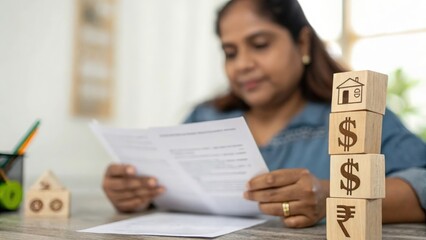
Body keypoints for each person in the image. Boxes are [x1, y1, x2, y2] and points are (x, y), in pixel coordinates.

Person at [102, 0, 426, 228]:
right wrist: (135, 194)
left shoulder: (352, 115)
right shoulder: (205, 117)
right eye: (230, 52)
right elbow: (168, 189)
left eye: (259, 44)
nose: (242, 64)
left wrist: (332, 195)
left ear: (302, 43)